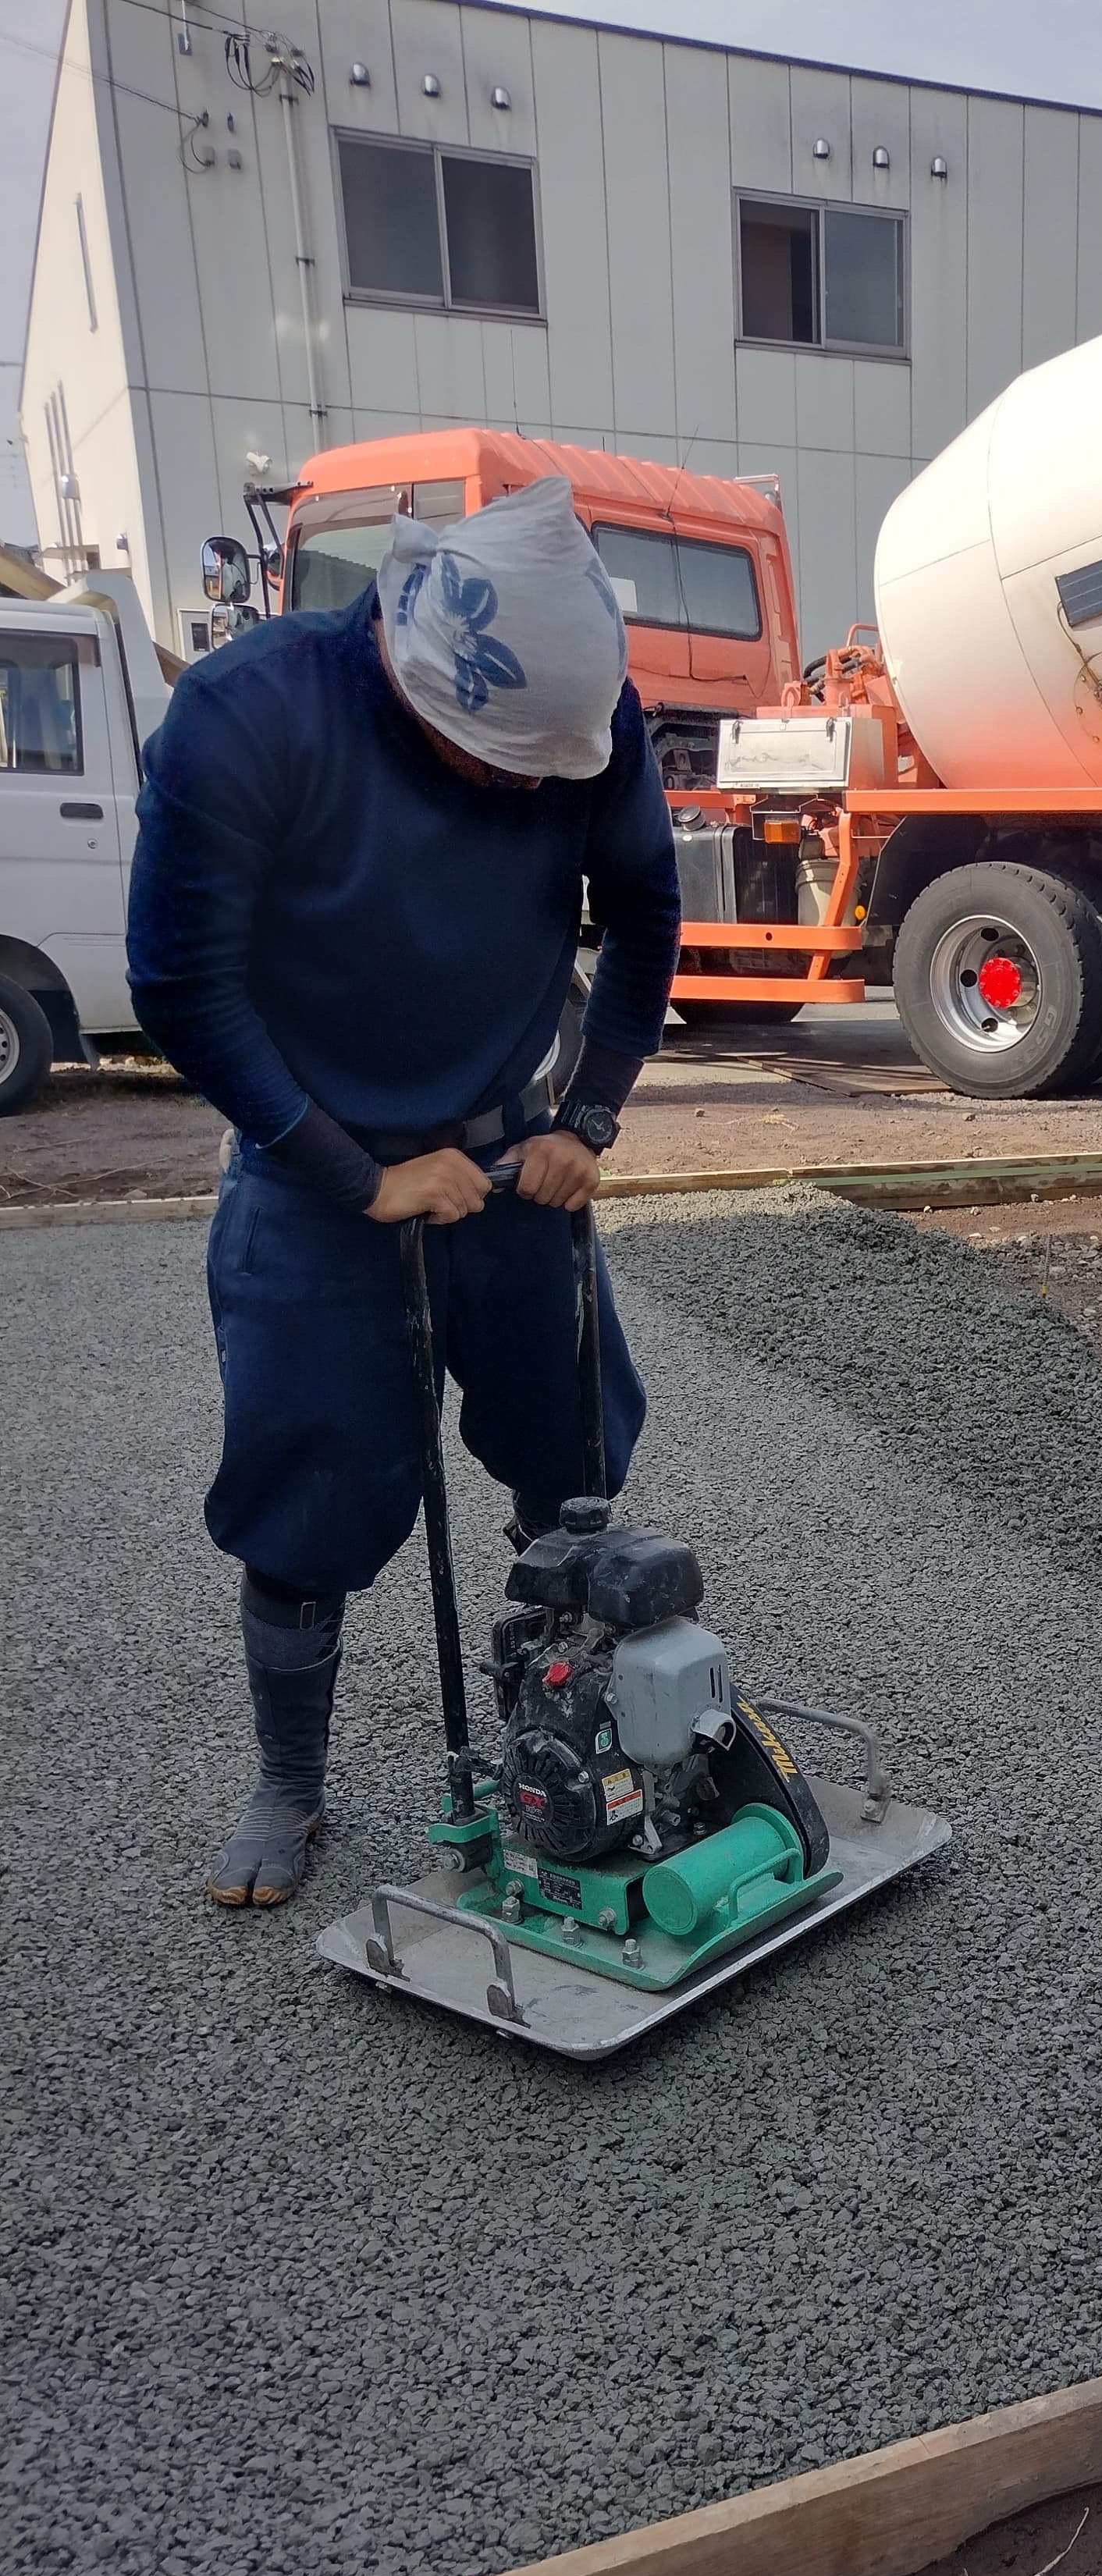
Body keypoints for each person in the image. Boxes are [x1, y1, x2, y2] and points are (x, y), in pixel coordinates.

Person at [127, 474, 682, 1909]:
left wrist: (591, 1115)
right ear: (421, 676)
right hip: (316, 1167)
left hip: (512, 1151)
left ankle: (564, 1739)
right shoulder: (251, 717)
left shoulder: (579, 716)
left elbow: (642, 914)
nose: (529, 795)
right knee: (305, 1493)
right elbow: (182, 982)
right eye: (506, 772)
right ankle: (290, 1784)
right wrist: (350, 1172)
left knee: (569, 1467)